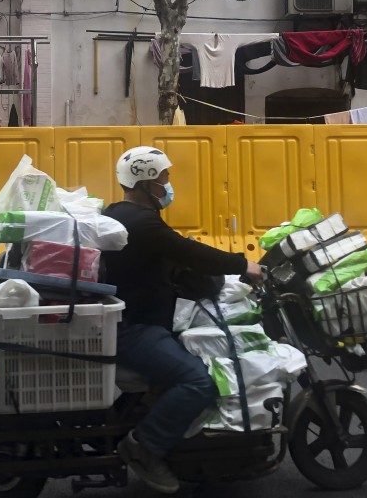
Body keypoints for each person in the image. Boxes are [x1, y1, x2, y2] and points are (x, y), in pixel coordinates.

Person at [102, 146, 262, 494]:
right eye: (163, 178)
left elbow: (171, 257)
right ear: (145, 183)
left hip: (137, 320)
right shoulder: (142, 222)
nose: (168, 184)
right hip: (136, 329)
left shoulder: (120, 213)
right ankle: (143, 447)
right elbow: (188, 252)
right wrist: (242, 264)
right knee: (198, 381)